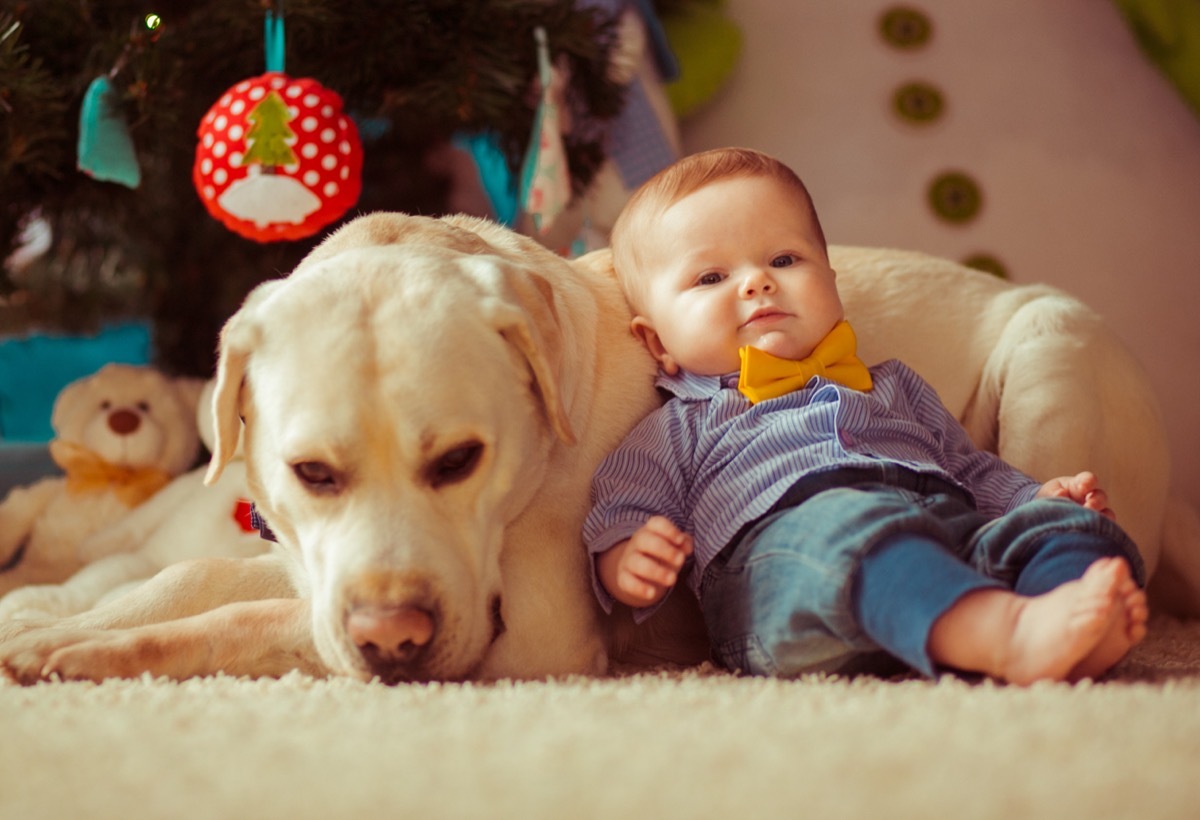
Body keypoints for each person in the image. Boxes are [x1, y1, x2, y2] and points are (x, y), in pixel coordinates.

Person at [584, 147, 1148, 684]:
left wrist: (1035, 499)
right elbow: (622, 504)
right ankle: (1007, 633)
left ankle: (1065, 622)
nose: (757, 281)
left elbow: (971, 471)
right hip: (788, 571)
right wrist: (627, 559)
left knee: (1073, 528)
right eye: (711, 278)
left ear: (831, 285)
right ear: (657, 343)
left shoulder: (893, 384)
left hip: (948, 538)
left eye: (784, 259)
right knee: (851, 531)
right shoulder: (682, 424)